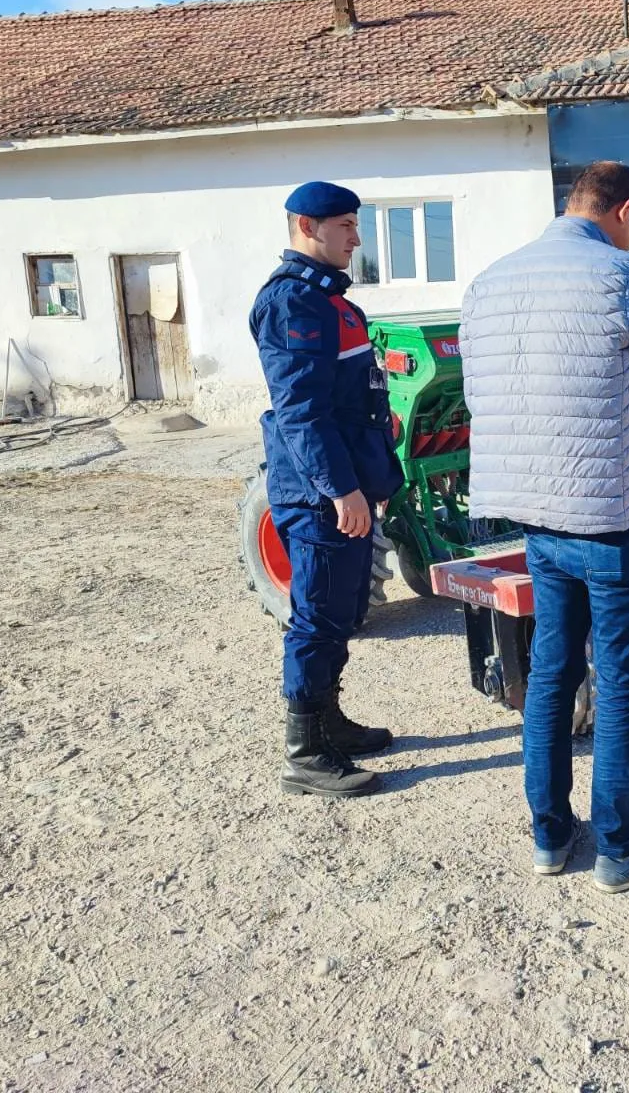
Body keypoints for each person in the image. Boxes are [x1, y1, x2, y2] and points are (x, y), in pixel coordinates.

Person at [459, 161, 629, 893]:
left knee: (552, 675)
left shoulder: (489, 283)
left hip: (539, 517)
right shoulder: (628, 277)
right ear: (626, 210)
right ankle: (623, 850)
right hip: (615, 515)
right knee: (624, 682)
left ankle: (550, 834)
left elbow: (485, 399)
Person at [249, 181, 404, 798]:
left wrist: (372, 480)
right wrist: (342, 490)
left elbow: (354, 403)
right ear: (306, 227)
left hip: (341, 482)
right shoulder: (294, 303)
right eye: (345, 225)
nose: (357, 238)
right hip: (315, 492)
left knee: (339, 614)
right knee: (315, 618)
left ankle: (329, 720)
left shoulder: (330, 299)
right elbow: (301, 412)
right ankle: (305, 752)